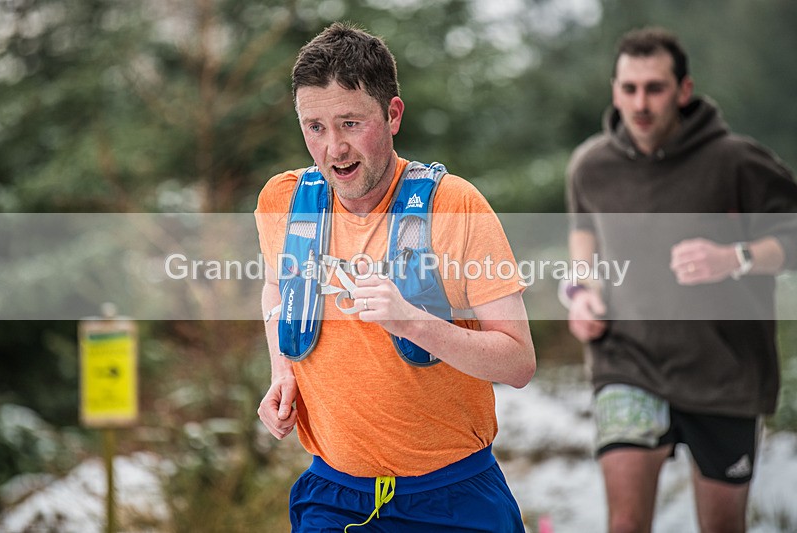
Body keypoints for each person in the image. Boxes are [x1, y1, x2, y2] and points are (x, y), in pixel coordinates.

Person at [255, 22, 535, 532]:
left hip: (453, 497)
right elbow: (276, 287)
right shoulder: (283, 202)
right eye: (314, 127)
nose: (334, 148)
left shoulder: (456, 206)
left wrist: (412, 322)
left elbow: (518, 363)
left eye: (350, 123)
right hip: (334, 495)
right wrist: (282, 370)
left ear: (393, 114)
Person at [564, 27, 797, 533]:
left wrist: (736, 257)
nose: (641, 103)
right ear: (615, 91)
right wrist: (581, 293)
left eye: (655, 88)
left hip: (725, 372)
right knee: (625, 524)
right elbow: (585, 235)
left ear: (684, 90)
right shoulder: (591, 165)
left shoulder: (737, 160)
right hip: (627, 361)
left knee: (722, 526)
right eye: (629, 89)